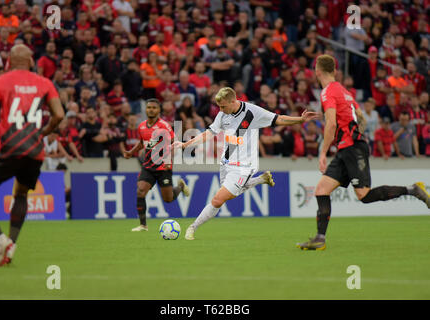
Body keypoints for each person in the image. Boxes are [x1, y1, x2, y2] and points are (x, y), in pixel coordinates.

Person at [296, 55, 430, 251]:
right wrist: (355, 133)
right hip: (347, 147)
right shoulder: (345, 91)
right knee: (321, 190)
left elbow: (331, 123)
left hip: (351, 147)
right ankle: (320, 238)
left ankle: (413, 190)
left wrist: (323, 152)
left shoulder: (327, 92)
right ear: (334, 70)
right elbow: (360, 116)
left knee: (364, 195)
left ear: (317, 71)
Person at [172, 87, 320, 240]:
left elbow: (279, 119)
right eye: (219, 107)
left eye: (223, 106)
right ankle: (260, 180)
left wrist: (300, 120)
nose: (221, 110)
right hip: (226, 162)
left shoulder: (252, 112)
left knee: (218, 199)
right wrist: (185, 144)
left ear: (233, 101)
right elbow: (208, 133)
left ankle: (192, 227)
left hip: (244, 166)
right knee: (228, 196)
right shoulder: (223, 114)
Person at [0, 44, 64, 266]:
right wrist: (42, 133)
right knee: (21, 194)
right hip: (34, 152)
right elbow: (59, 115)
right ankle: (12, 245)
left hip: (9, 148)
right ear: (31, 61)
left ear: (8, 62)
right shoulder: (45, 83)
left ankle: (0, 239)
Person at [122, 98, 190, 231]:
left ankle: (180, 187)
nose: (151, 110)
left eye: (154, 108)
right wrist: (131, 152)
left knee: (168, 199)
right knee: (141, 191)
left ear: (159, 110)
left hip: (163, 166)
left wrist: (168, 161)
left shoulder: (164, 126)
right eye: (149, 107)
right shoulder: (141, 126)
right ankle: (143, 225)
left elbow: (173, 144)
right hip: (148, 166)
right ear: (146, 110)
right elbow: (142, 142)